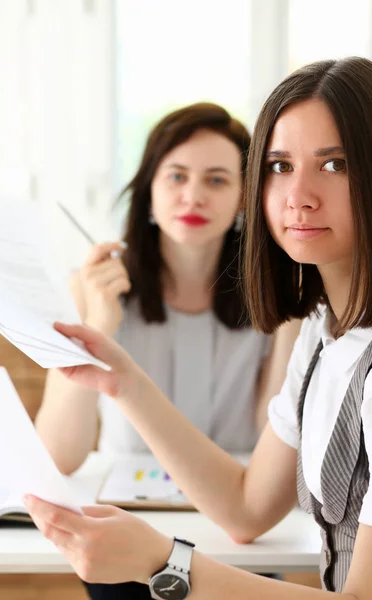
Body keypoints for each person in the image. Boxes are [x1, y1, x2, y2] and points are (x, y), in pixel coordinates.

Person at [25, 55, 372, 599]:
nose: (299, 195)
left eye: (335, 164)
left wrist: (165, 561)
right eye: (279, 166)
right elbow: (245, 507)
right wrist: (122, 379)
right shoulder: (323, 329)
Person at [36, 102, 300, 476]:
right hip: (128, 505)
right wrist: (97, 325)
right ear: (149, 191)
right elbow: (57, 457)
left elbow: (274, 440)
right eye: (176, 177)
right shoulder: (90, 286)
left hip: (240, 499)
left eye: (216, 179)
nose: (193, 196)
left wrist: (293, 318)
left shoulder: (275, 295)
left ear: (244, 198)